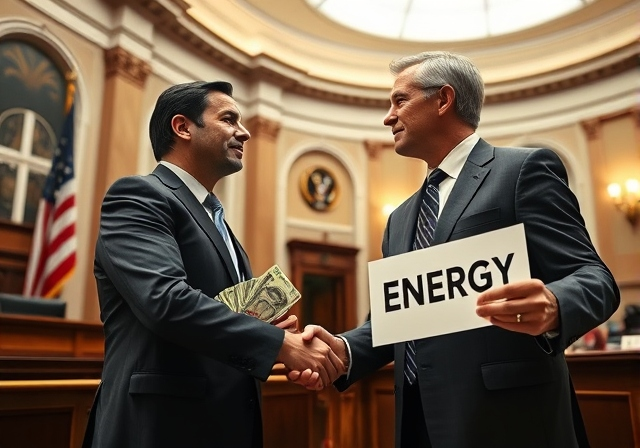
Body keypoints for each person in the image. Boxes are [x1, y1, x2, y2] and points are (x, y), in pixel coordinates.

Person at [290, 51, 620, 448]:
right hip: (416, 420)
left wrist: (554, 303)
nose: (387, 117)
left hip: (508, 421)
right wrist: (343, 350)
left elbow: (595, 278)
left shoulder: (523, 171)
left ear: (443, 100)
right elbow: (397, 319)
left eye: (399, 101)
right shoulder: (399, 218)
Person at [82, 81, 342, 448]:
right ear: (183, 127)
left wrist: (274, 339)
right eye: (229, 119)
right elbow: (165, 301)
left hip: (220, 422)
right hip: (160, 427)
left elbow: (221, 320)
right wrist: (279, 344)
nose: (245, 132)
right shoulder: (139, 195)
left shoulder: (217, 221)